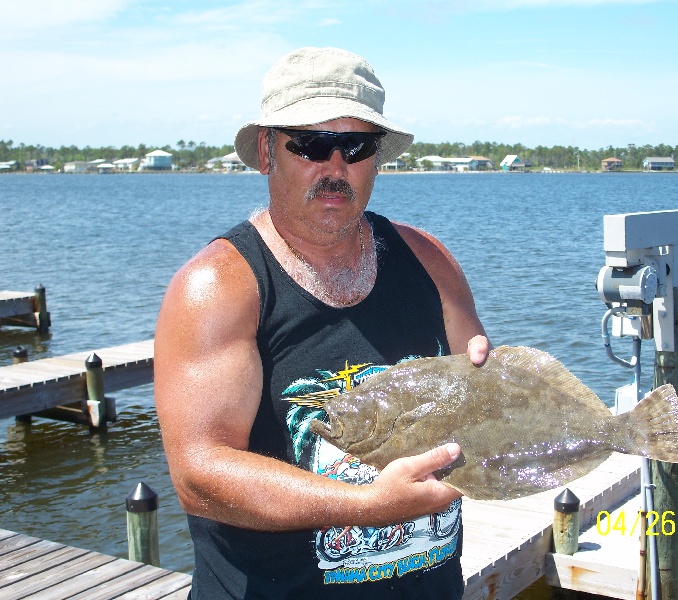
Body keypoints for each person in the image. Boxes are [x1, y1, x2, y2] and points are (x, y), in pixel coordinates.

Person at [154, 46, 489, 600]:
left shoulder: (428, 260)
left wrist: (492, 383)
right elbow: (201, 474)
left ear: (377, 158)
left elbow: (482, 396)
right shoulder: (218, 288)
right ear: (267, 152)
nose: (335, 167)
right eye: (311, 144)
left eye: (355, 147)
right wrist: (369, 506)